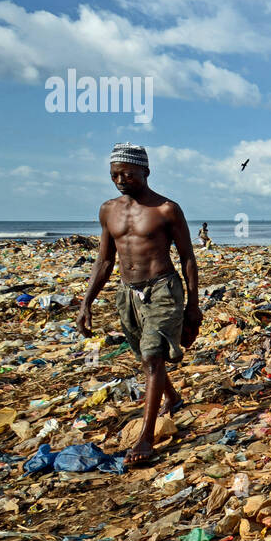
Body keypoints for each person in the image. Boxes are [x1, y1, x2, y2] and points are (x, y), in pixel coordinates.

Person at [77, 143, 201, 467]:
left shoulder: (166, 209)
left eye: (128, 174)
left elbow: (188, 258)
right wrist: (86, 302)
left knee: (151, 357)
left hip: (162, 288)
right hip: (128, 293)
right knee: (143, 355)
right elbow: (104, 261)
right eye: (115, 174)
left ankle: (145, 438)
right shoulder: (108, 210)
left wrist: (193, 305)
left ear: (145, 171)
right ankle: (172, 397)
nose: (120, 179)